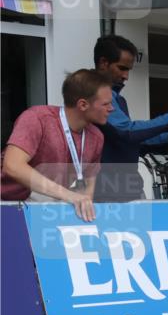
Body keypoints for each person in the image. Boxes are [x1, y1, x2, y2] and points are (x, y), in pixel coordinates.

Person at [91, 35, 168, 201]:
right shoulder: (94, 93)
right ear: (103, 63)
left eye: (128, 70)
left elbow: (128, 139)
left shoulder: (117, 98)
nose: (126, 76)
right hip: (107, 192)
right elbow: (127, 132)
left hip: (123, 188)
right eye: (122, 68)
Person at [1, 69, 113, 222]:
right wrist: (69, 195)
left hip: (42, 213)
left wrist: (84, 207)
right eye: (106, 104)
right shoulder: (37, 118)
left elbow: (88, 186)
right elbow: (12, 166)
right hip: (6, 206)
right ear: (83, 105)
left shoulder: (96, 137)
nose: (111, 108)